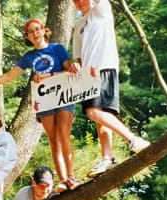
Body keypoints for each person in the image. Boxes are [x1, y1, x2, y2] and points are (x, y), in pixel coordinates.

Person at [0, 19, 79, 193]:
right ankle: (63, 180)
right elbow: (8, 77)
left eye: (37, 29)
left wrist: (48, 75)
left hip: (64, 95)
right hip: (46, 99)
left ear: (43, 30)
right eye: (30, 32)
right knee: (53, 140)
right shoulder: (29, 57)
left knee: (64, 134)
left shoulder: (57, 49)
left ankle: (72, 176)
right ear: (27, 37)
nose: (35, 34)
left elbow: (68, 70)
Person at [70, 0, 150, 178]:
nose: (80, 2)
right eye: (75, 0)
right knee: (101, 118)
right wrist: (75, 65)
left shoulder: (101, 9)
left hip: (104, 67)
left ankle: (134, 140)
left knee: (93, 112)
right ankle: (108, 158)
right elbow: (77, 58)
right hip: (88, 76)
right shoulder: (79, 26)